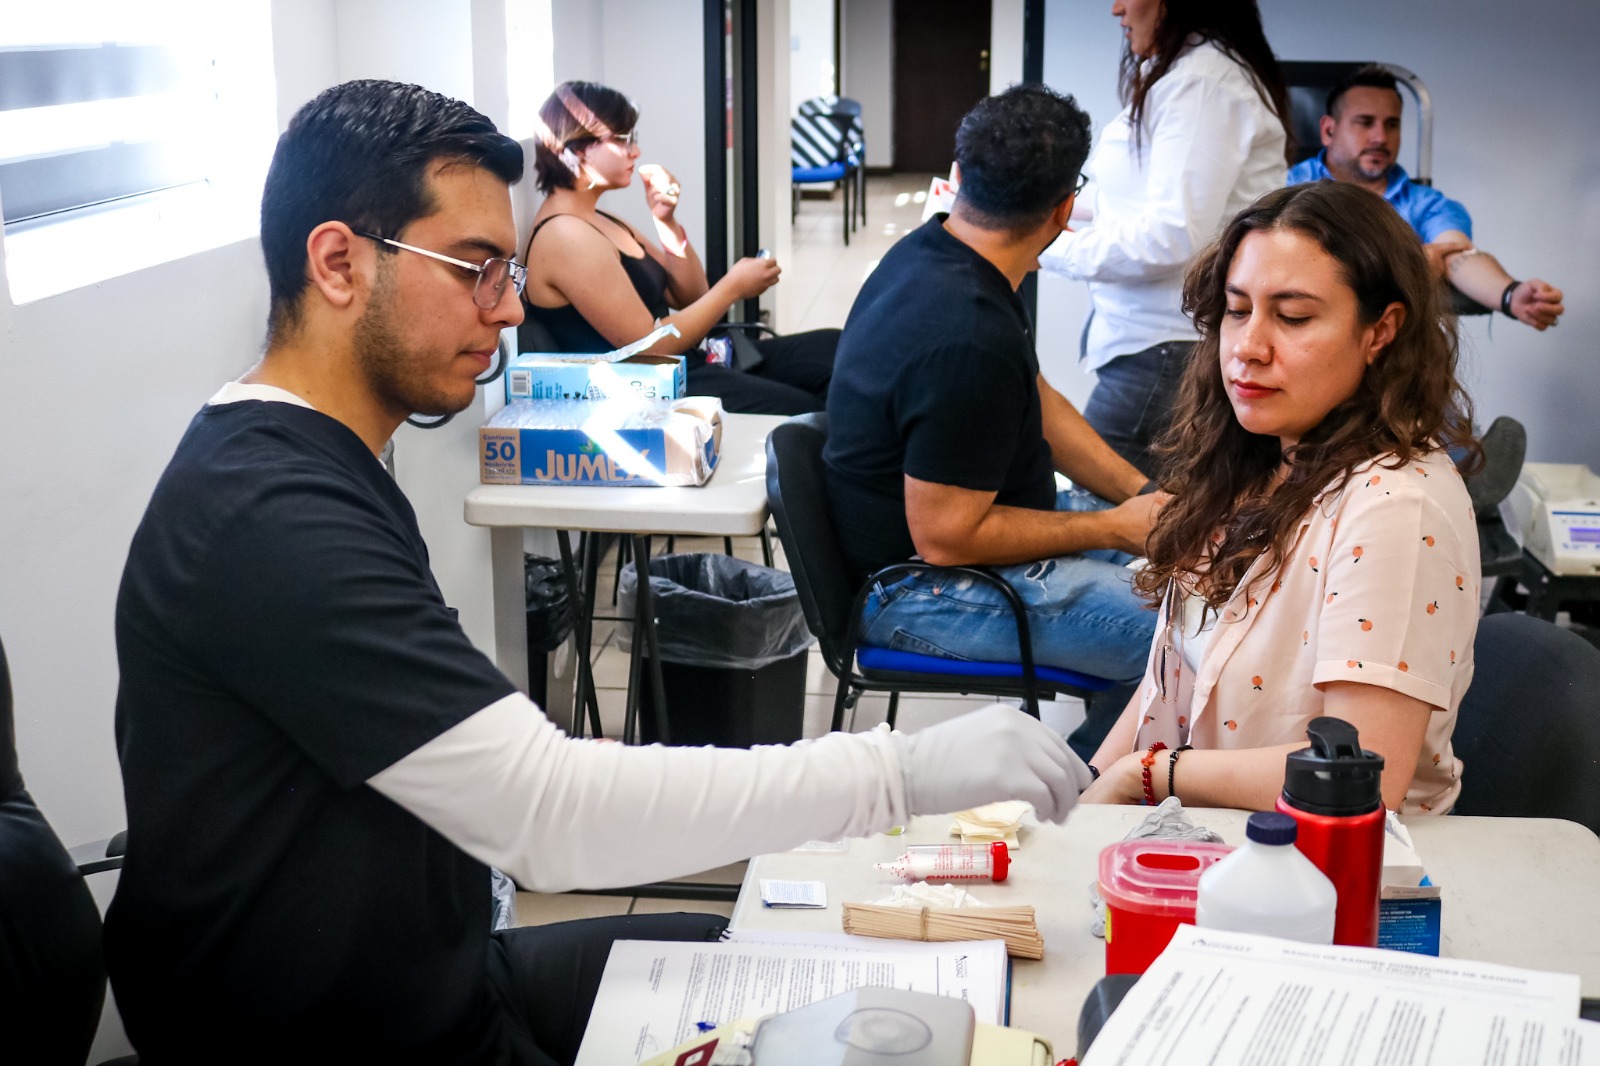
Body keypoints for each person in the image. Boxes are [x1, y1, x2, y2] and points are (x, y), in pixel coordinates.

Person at [104, 79, 1093, 1065]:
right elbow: (544, 812)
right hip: (328, 1035)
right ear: (337, 262)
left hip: (429, 969)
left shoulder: (318, 460)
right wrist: (899, 770)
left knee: (811, 969)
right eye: (477, 269)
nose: (503, 312)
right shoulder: (268, 516)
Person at [1080, 181, 1481, 815]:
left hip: (1330, 878)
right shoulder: (1259, 457)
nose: (1248, 346)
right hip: (1214, 843)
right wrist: (1081, 802)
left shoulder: (1395, 508)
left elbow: (1364, 771)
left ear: (1381, 331)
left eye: (1292, 317)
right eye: (1238, 310)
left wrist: (1150, 773)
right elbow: (1170, 686)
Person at [824, 84, 1164, 759]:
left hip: (949, 550)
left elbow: (1033, 398)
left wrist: (1142, 495)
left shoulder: (938, 251)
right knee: (1191, 644)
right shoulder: (965, 334)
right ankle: (1090, 791)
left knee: (1191, 585)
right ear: (1066, 210)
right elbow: (948, 537)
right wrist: (1113, 527)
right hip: (916, 589)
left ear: (958, 179)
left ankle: (1108, 756)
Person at [1040, 0, 1291, 477]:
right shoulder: (1183, 74)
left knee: (1096, 514)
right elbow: (1126, 202)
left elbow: (1173, 234)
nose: (1115, 8)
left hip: (1164, 349)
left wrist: (1046, 248)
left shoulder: (1202, 81)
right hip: (1152, 345)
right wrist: (1030, 216)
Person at [521, 80, 836, 414]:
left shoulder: (600, 219)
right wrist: (732, 288)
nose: (635, 151)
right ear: (578, 149)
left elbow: (690, 295)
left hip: (688, 363)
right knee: (808, 408)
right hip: (659, 388)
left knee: (834, 348)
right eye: (622, 140)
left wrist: (666, 222)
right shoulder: (565, 237)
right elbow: (648, 348)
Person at [1287, 65, 1564, 331]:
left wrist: (1511, 295)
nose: (1380, 137)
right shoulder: (1282, 188)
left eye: (1392, 124)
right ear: (1329, 130)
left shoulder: (1426, 204)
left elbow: (1459, 256)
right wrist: (1408, 266)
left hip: (1389, 353)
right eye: (1365, 122)